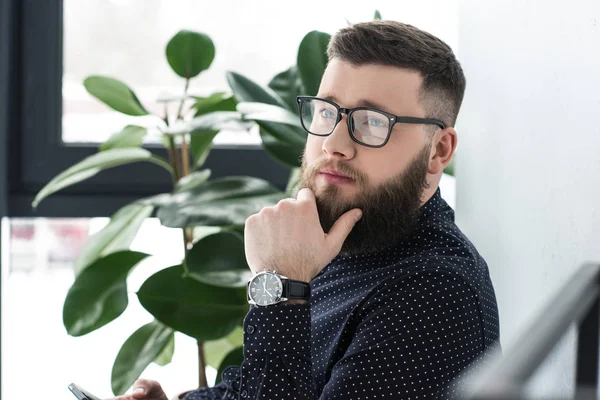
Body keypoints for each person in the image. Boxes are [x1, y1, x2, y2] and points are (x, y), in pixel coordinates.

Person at [112, 20, 500, 400]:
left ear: (438, 151)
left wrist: (281, 287)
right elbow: (255, 385)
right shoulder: (342, 238)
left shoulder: (435, 295)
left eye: (371, 122)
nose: (333, 143)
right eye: (326, 112)